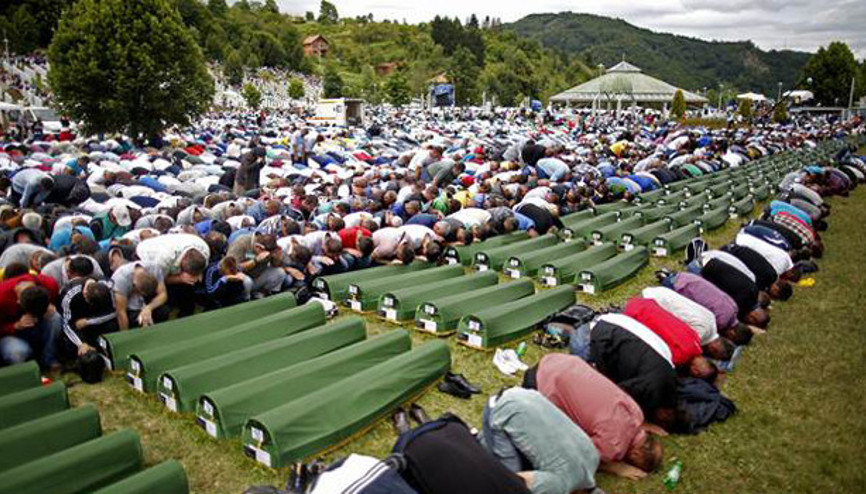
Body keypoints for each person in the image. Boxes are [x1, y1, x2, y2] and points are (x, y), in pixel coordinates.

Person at [527, 354, 665, 480]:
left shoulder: (636, 412)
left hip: (560, 360)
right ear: (635, 455)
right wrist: (615, 467)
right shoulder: (613, 445)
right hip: (541, 382)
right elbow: (581, 458)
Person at [480, 387, 600, 494]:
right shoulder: (560, 485)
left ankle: (478, 442)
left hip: (524, 394)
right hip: (498, 410)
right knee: (512, 484)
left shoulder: (593, 457)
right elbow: (519, 481)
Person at [590, 313, 678, 426]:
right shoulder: (650, 386)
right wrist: (643, 424)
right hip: (598, 334)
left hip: (617, 322)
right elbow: (615, 394)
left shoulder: (671, 380)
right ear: (664, 415)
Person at [0, 272, 61, 370]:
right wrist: (15, 326)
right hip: (11, 334)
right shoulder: (2, 297)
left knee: (55, 317)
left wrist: (50, 306)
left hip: (39, 324)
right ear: (18, 301)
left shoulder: (49, 283)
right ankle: (27, 370)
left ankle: (49, 359)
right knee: (18, 352)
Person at [110, 261, 168, 329]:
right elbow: (121, 313)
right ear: (134, 285)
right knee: (138, 320)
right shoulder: (120, 280)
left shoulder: (154, 268)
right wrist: (125, 335)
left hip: (147, 301)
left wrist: (148, 308)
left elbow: (163, 294)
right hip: (127, 303)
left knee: (163, 311)